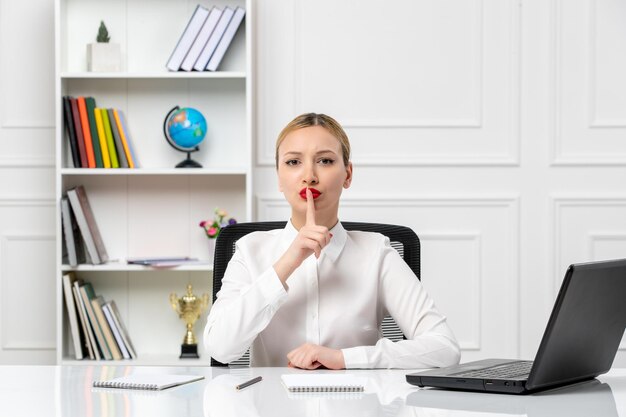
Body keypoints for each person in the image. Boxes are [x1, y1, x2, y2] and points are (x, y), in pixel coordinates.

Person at [204, 113, 460, 369]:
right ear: (279, 178)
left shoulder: (377, 253)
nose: (309, 176)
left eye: (325, 161)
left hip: (358, 405)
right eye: (293, 162)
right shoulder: (250, 251)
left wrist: (344, 359)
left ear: (347, 175)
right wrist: (288, 262)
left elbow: (444, 347)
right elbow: (221, 348)